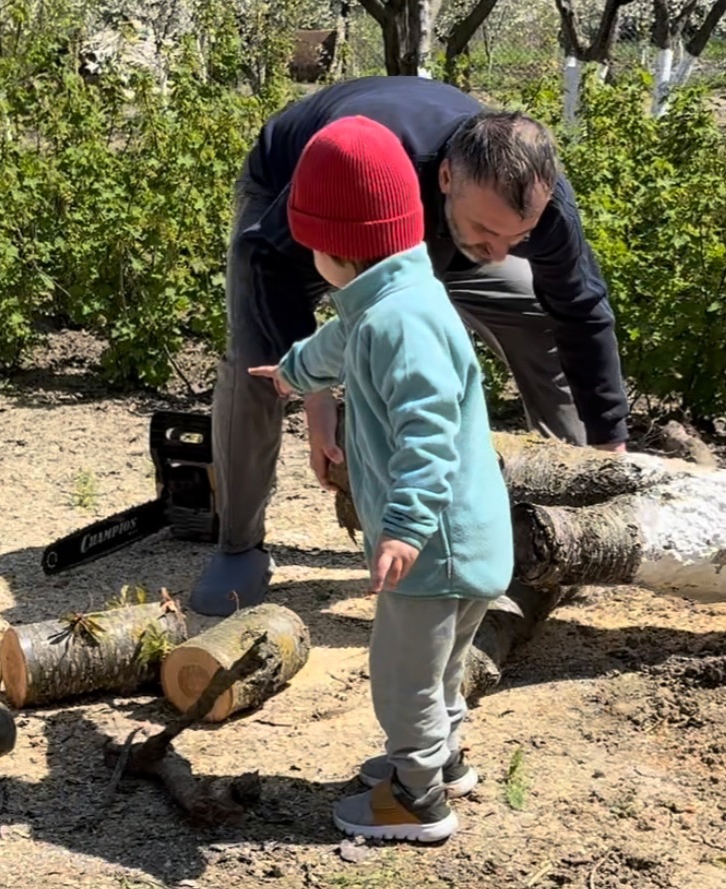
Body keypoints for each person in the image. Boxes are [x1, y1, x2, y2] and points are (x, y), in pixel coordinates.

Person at [191, 75, 630, 616]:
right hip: (309, 214)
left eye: (516, 238)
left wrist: (609, 445)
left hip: (429, 225)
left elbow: (581, 310)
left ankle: (567, 501)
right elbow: (267, 262)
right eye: (486, 231)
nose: (497, 253)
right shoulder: (368, 164)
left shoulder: (536, 202)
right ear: (447, 176)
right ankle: (239, 547)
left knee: (533, 311)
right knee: (263, 367)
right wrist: (315, 392)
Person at [248, 114, 512, 842]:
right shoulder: (391, 297)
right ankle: (444, 759)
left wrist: (402, 528)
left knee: (402, 678)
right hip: (461, 544)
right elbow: (334, 343)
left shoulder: (398, 324)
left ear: (335, 251)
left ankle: (416, 796)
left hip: (434, 549)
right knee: (441, 665)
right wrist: (294, 374)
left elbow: (427, 433)